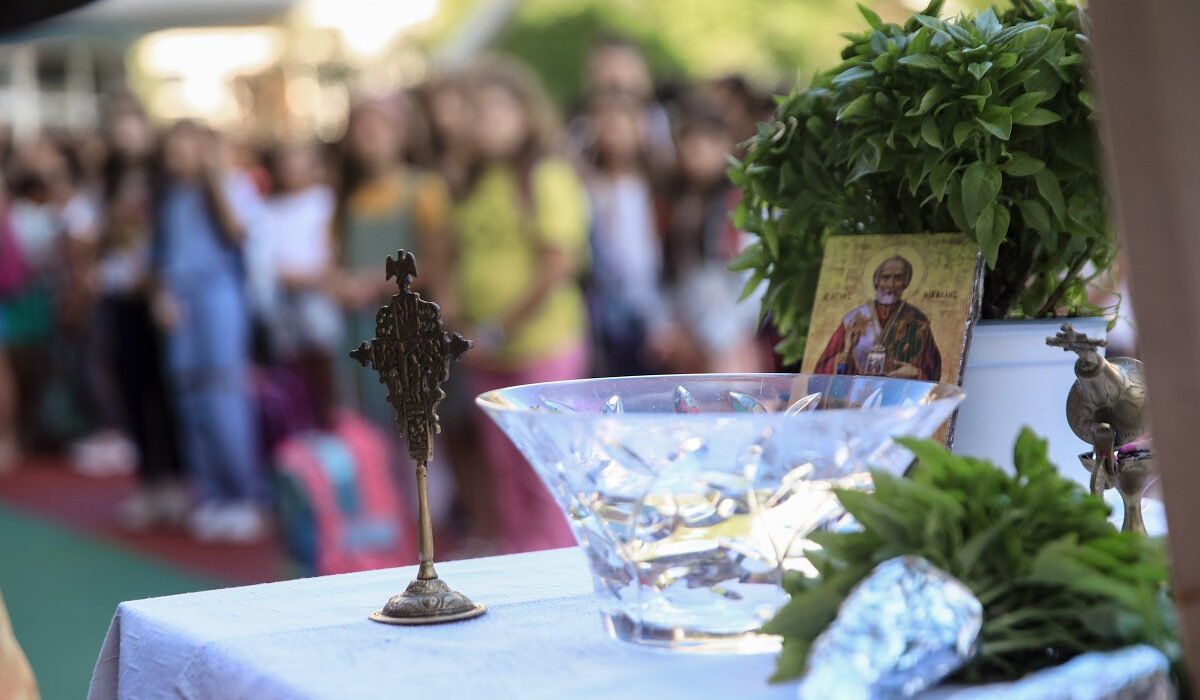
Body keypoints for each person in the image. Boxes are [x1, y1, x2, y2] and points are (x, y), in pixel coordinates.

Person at [450, 58, 590, 554]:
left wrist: (497, 327)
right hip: (489, 352)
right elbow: (459, 257)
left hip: (541, 346)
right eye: (473, 112)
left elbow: (557, 263)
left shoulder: (546, 175)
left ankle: (553, 573)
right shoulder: (474, 182)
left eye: (491, 110)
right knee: (503, 470)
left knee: (546, 473)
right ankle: (518, 567)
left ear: (526, 115)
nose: (478, 122)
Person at [151, 121, 268, 543]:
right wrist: (161, 296)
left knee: (223, 393)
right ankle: (213, 494)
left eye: (185, 147)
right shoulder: (171, 196)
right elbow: (161, 257)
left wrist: (217, 176)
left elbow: (238, 231)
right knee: (190, 397)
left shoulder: (229, 184)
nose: (176, 156)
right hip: (180, 305)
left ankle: (244, 495)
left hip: (218, 298)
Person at [332, 96, 452, 431]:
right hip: (363, 330)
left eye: (378, 126)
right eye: (359, 128)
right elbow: (335, 263)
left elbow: (438, 263)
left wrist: (375, 284)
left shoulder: (424, 189)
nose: (368, 135)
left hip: (413, 328)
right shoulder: (348, 200)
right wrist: (340, 284)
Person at [97, 100, 187, 530]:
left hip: (157, 296)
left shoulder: (165, 181)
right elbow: (104, 238)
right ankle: (148, 484)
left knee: (164, 391)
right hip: (121, 296)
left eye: (131, 125)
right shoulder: (108, 181)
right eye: (118, 126)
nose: (125, 134)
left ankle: (175, 483)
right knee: (132, 389)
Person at [649, 100, 765, 374]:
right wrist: (667, 323)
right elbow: (669, 270)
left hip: (728, 334)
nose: (697, 150)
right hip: (686, 330)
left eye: (708, 140)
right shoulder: (673, 202)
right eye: (689, 140)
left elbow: (755, 278)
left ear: (727, 145)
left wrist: (721, 331)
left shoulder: (740, 203)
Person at [581, 92, 663, 376]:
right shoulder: (589, 184)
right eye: (607, 125)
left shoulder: (658, 182)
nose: (615, 134)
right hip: (608, 306)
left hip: (655, 299)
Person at [260, 142, 341, 427]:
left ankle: (333, 418)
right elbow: (266, 259)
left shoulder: (324, 199)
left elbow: (331, 249)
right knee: (292, 364)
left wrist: (315, 276)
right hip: (284, 298)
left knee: (324, 353)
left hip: (318, 295)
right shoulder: (269, 208)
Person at [813, 254, 942, 380]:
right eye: (885, 278)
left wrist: (916, 373)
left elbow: (932, 369)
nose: (891, 284)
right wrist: (846, 353)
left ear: (906, 282)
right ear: (876, 281)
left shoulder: (917, 320)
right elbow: (822, 370)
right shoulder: (854, 320)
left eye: (898, 278)